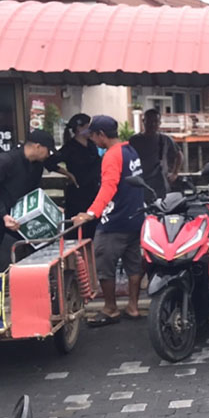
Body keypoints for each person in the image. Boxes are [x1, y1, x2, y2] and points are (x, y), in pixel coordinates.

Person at [72, 115, 145, 326]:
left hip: (115, 221)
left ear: (101, 134)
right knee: (134, 265)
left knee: (104, 264)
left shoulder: (112, 156)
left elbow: (108, 187)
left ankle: (110, 308)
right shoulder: (131, 151)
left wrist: (91, 213)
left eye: (93, 136)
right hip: (135, 217)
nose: (92, 140)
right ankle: (133, 306)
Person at [0, 130, 55, 271]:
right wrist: (2, 214)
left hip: (17, 216)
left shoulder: (37, 166)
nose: (48, 156)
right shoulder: (5, 162)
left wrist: (50, 207)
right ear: (38, 146)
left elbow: (34, 192)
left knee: (40, 241)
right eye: (48, 151)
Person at [46, 114, 101, 240]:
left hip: (94, 190)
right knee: (77, 229)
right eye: (88, 127)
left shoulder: (92, 145)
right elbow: (49, 162)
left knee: (94, 225)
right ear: (79, 128)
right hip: (78, 192)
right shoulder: (70, 147)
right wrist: (68, 174)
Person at [129, 108, 182, 201]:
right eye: (149, 121)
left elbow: (179, 155)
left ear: (159, 123)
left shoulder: (165, 139)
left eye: (155, 121)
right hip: (141, 183)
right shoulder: (134, 140)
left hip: (161, 185)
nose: (153, 124)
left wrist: (175, 173)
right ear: (143, 121)